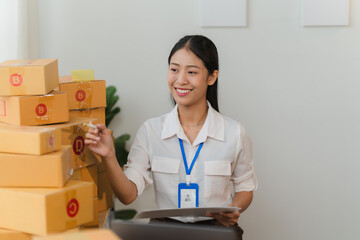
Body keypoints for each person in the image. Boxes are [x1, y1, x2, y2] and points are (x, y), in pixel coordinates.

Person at [85, 35, 258, 240]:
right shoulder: (151, 131)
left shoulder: (234, 132)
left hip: (217, 231)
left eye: (192, 72)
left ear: (211, 77)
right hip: (164, 231)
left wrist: (232, 209)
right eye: (174, 69)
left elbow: (245, 188)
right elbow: (127, 195)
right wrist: (109, 156)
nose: (181, 79)